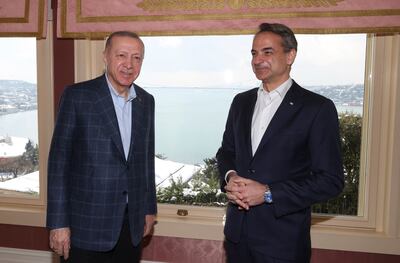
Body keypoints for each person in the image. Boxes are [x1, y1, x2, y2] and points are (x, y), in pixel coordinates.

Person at [216, 23, 344, 263]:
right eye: (254, 53)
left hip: (283, 244)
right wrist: (230, 177)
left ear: (290, 55)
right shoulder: (240, 102)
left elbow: (331, 181)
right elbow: (226, 152)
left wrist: (268, 194)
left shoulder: (317, 108)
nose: (257, 60)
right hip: (237, 238)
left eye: (267, 52)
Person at [46, 31, 157, 263]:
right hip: (85, 226)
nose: (129, 64)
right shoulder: (78, 96)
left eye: (137, 58)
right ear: (105, 57)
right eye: (121, 55)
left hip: (131, 226)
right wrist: (58, 223)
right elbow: (59, 163)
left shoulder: (146, 101)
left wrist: (148, 209)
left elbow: (146, 161)